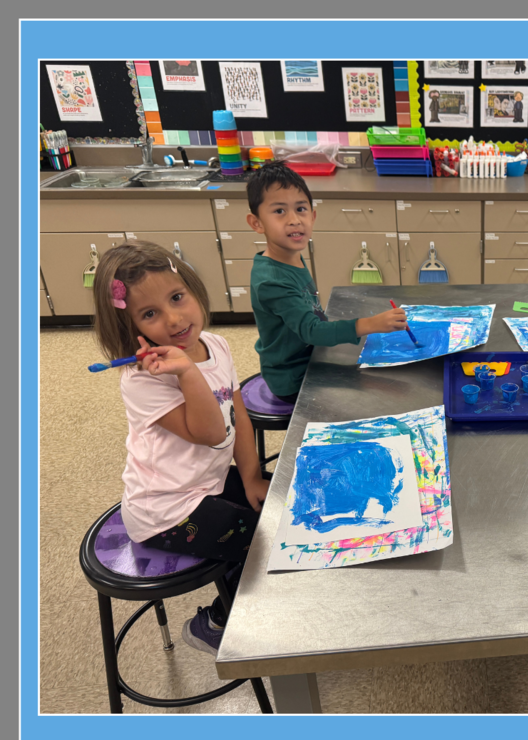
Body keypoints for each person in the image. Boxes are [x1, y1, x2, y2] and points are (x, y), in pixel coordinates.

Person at [92, 240, 271, 655]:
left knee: (281, 503)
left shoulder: (216, 345)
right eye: (150, 313)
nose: (174, 320)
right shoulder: (143, 380)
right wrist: (188, 373)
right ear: (129, 327)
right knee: (259, 540)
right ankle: (215, 623)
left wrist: (250, 477)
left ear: (192, 288)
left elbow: (237, 414)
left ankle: (254, 598)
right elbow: (209, 432)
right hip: (165, 510)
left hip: (204, 484)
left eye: (177, 297)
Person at [246, 162, 407, 402]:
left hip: (311, 357)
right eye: (279, 211)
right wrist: (372, 323)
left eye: (300, 209)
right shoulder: (272, 281)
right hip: (292, 377)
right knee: (375, 396)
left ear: (313, 215)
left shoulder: (288, 256)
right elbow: (312, 331)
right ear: (256, 223)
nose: (294, 220)